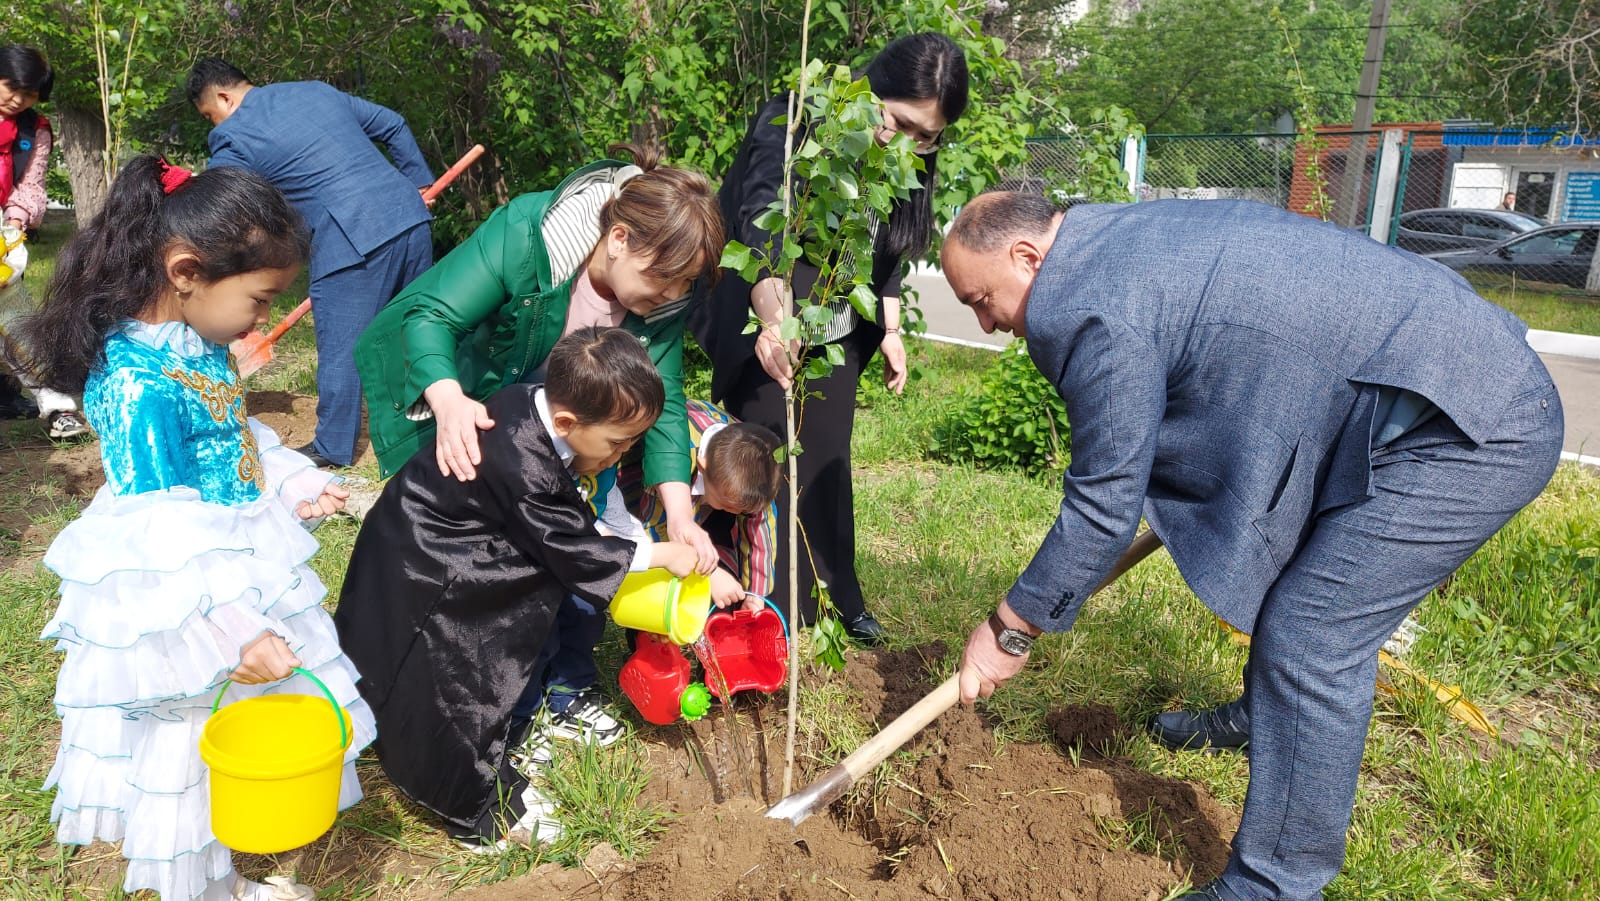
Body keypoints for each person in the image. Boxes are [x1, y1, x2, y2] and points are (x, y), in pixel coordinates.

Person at [942, 192, 1563, 901]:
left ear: (1028, 257)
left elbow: (1102, 506)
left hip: (1469, 424)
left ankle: (1276, 881)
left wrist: (1009, 630)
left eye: (982, 299)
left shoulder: (1087, 303)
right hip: (1414, 378)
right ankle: (1263, 716)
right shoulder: (1112, 233)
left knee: (1312, 636)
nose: (989, 323)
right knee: (1298, 578)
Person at [24, 157, 376, 901]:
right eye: (260, 299)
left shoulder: (194, 341)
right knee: (190, 744)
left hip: (228, 553)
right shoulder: (132, 379)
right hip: (185, 590)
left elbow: (228, 433)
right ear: (186, 269)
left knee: (234, 724)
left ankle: (227, 876)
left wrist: (292, 482)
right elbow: (161, 523)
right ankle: (205, 891)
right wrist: (233, 627)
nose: (259, 318)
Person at [334, 326, 701, 852]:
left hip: (440, 539)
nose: (624, 454)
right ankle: (470, 807)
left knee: (425, 666)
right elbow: (570, 544)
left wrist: (628, 539)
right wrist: (662, 554)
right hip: (430, 561)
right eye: (618, 442)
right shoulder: (524, 459)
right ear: (569, 422)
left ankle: (449, 759)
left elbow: (569, 522)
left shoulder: (534, 407)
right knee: (457, 674)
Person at [691, 32, 970, 646]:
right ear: (873, 88)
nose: (912, 144)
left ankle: (835, 595)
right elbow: (758, 222)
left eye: (930, 136)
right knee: (760, 456)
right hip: (768, 312)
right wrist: (772, 322)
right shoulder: (793, 121)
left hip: (838, 327)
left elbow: (891, 246)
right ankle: (760, 600)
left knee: (825, 459)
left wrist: (891, 330)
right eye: (901, 122)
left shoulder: (907, 156)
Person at [354, 143, 724, 564]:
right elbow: (432, 318)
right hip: (458, 385)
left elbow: (667, 400)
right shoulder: (530, 236)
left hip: (546, 429)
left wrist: (679, 516)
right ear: (619, 239)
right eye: (665, 276)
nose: (674, 295)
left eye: (687, 282)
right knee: (433, 531)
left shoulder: (660, 303)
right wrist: (449, 400)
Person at [186, 57, 435, 468]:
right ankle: (431, 424)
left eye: (210, 116)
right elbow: (392, 123)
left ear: (223, 97)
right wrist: (420, 182)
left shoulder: (233, 135)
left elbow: (222, 203)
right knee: (417, 329)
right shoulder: (315, 89)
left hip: (350, 237)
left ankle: (333, 447)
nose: (215, 126)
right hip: (409, 214)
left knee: (342, 346)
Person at [0, 45, 89, 438]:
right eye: (10, 87)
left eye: (30, 94)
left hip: (2, 231)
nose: (18, 100)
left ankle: (59, 409)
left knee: (19, 323)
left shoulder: (33, 130)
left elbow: (31, 186)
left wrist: (15, 222)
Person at [622, 398, 783, 610]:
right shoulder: (675, 467)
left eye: (743, 510)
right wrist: (708, 574)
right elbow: (659, 530)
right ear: (703, 467)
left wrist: (755, 595)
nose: (736, 513)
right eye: (729, 505)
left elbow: (761, 527)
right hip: (635, 470)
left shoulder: (753, 469)